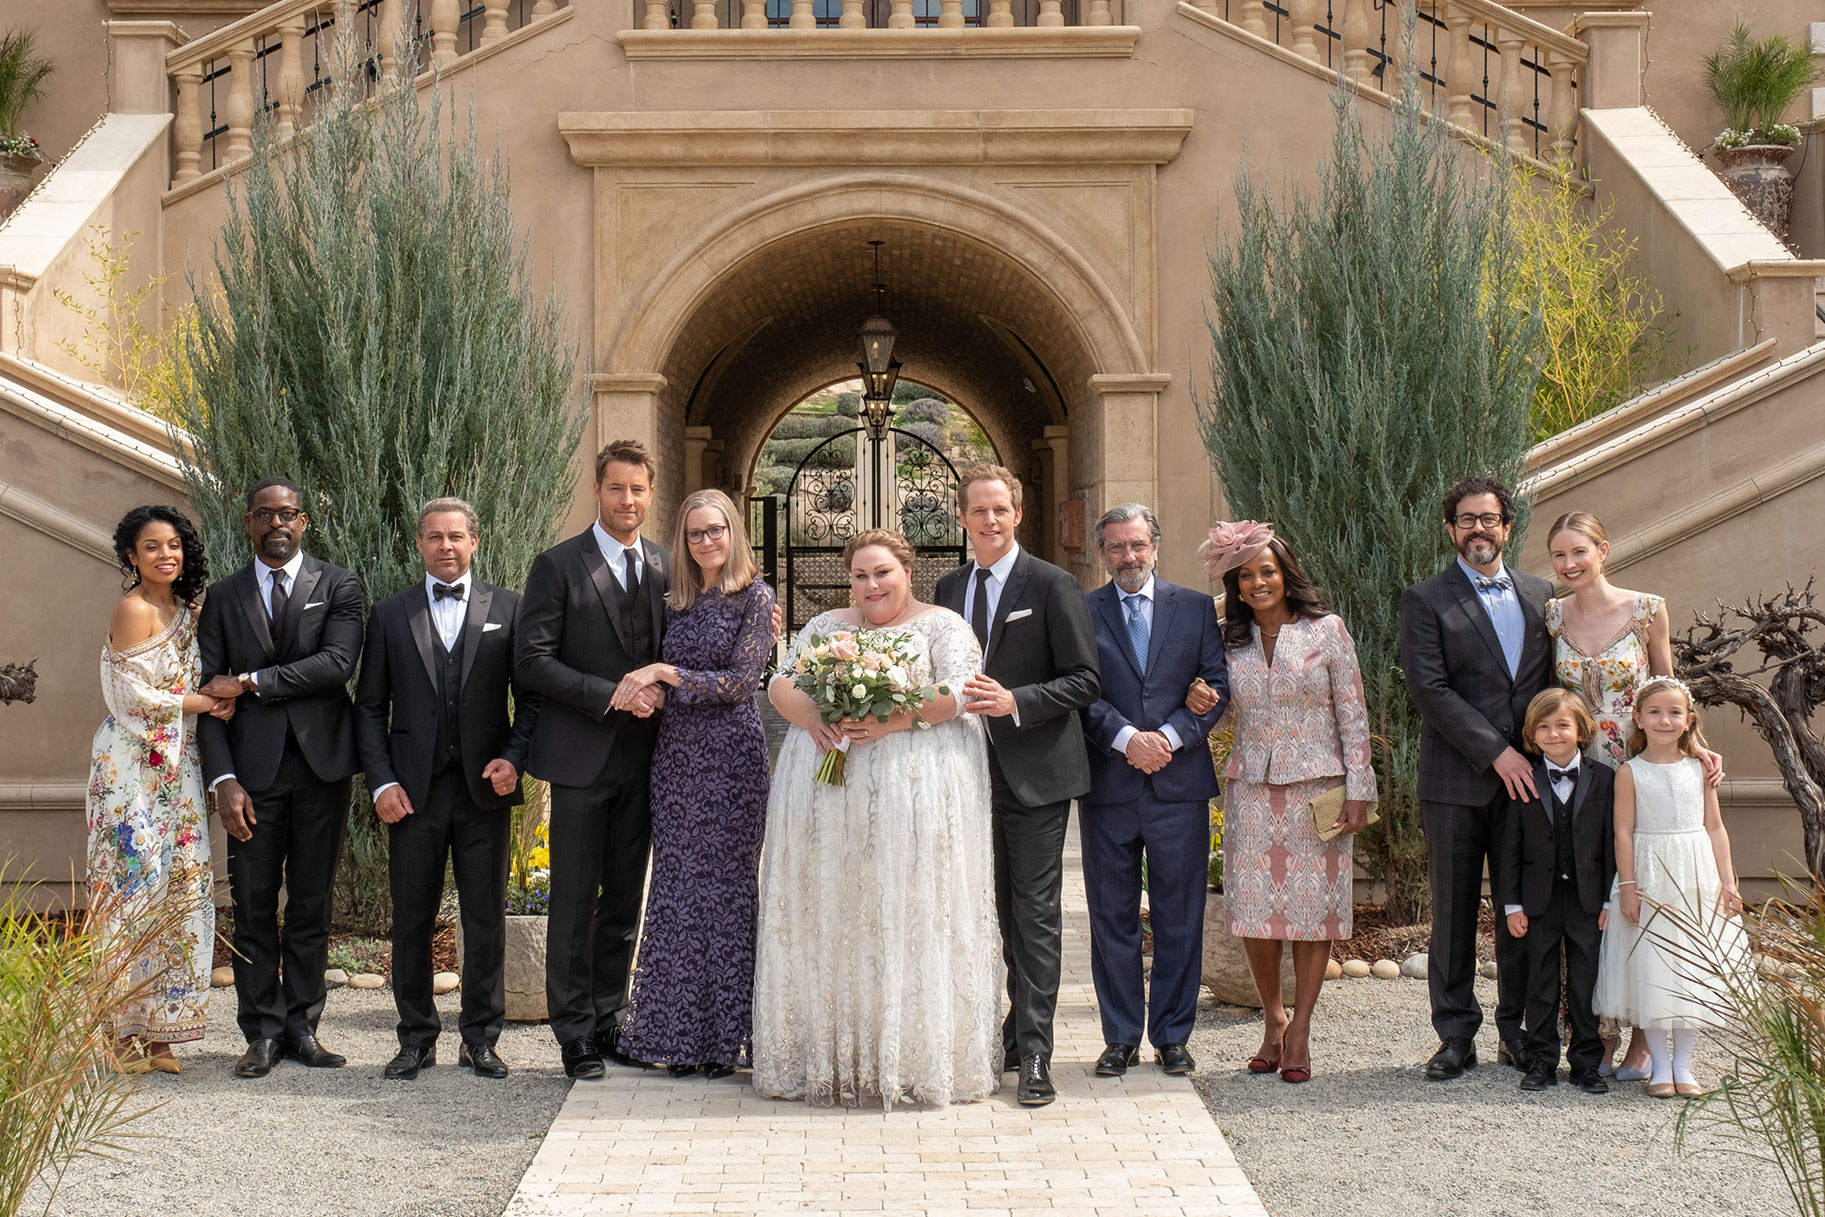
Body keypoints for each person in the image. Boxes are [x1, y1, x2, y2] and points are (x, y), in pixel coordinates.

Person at [753, 529, 1002, 1108]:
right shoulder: (826, 628)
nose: (872, 586)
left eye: (883, 573)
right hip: (829, 805)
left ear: (906, 571)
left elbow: (961, 691)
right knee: (837, 914)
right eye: (861, 575)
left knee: (910, 913)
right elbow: (782, 681)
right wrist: (815, 717)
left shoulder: (942, 626)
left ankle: (913, 1059)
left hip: (914, 802)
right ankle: (833, 1059)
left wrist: (892, 721)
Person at [353, 498, 539, 1082]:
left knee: (484, 917)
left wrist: (515, 759)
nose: (446, 546)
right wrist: (381, 780)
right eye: (435, 537)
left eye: (456, 536)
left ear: (475, 542)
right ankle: (415, 1038)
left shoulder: (508, 609)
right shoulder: (388, 615)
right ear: (419, 544)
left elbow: (530, 700)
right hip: (412, 794)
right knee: (411, 917)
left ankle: (481, 1038)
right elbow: (368, 709)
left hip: (484, 790)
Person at [933, 465, 1099, 1107]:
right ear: (964, 517)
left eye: (1000, 509)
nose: (990, 520)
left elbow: (1086, 680)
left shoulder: (1054, 585)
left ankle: (1034, 1051)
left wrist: (1017, 700)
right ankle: (1003, 1032)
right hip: (961, 776)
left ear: (1018, 513)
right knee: (988, 908)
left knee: (1033, 915)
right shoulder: (947, 589)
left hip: (1034, 776)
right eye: (978, 511)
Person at [1544, 510, 1725, 1079]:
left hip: (1638, 769)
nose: (1570, 564)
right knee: (1591, 895)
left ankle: (1646, 1041)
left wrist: (1697, 748)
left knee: (1645, 896)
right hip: (1576, 774)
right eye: (1559, 555)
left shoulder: (1647, 608)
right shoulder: (1550, 616)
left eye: (1579, 552)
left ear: (1603, 550)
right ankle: (1590, 1036)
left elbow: (1671, 690)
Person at [197, 477, 365, 1080]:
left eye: (287, 514)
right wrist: (223, 780)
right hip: (252, 775)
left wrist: (249, 683)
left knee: (312, 903)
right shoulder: (222, 597)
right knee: (252, 905)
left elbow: (335, 665)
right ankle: (261, 1032)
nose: (277, 523)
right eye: (264, 514)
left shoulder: (339, 585)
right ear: (248, 523)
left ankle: (304, 1027)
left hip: (322, 767)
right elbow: (207, 698)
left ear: (304, 521)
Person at [513, 439, 669, 1080]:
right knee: (574, 901)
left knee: (625, 899)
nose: (626, 500)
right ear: (597, 491)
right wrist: (614, 694)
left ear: (650, 493)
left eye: (637, 490)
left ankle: (609, 1018)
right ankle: (572, 1032)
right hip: (581, 757)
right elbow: (532, 662)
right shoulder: (557, 566)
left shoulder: (665, 565)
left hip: (650, 759)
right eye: (615, 489)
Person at [1203, 521, 1377, 1084]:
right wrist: (1202, 699)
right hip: (1251, 788)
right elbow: (1228, 715)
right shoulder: (1228, 637)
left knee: (1313, 912)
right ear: (1236, 584)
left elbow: (1352, 713)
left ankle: (1300, 1028)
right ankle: (1272, 1019)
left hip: (1320, 788)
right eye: (1246, 575)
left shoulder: (1326, 631)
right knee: (1254, 912)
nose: (1258, 583)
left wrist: (1360, 789)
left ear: (1286, 575)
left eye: (1268, 572)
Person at [610, 489, 776, 1079]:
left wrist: (661, 672)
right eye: (695, 533)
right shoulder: (672, 600)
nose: (706, 541)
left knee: (728, 893)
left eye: (716, 530)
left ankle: (723, 1041)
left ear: (734, 532)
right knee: (677, 892)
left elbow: (737, 683)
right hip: (676, 757)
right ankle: (673, 1036)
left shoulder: (756, 597)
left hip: (731, 758)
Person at [1399, 475, 1554, 1081]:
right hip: (1457, 781)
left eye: (1489, 519)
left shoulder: (1543, 595)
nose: (1479, 529)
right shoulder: (1427, 598)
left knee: (1523, 908)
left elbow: (1553, 683)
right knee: (1455, 912)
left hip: (1532, 783)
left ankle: (1516, 1032)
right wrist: (1497, 753)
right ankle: (1455, 1035)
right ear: (1451, 530)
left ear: (1507, 528)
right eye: (1466, 520)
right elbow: (1429, 689)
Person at [1079, 504, 1227, 1079]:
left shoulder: (1192, 608)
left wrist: (1165, 737)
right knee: (1111, 916)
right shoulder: (1083, 611)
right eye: (1116, 548)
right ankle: (1119, 1038)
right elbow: (1079, 689)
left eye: (1137, 545)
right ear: (1103, 554)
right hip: (1109, 788)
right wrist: (1124, 739)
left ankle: (1172, 1036)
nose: (1128, 557)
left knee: (1179, 916)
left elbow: (1216, 683)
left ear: (1155, 546)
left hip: (1178, 785)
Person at [87, 505, 223, 1074]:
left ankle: (161, 1036)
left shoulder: (188, 612)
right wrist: (206, 699)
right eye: (151, 547)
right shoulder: (133, 608)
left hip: (178, 766)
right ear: (130, 556)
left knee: (180, 889)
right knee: (133, 891)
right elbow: (130, 698)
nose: (165, 555)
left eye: (174, 545)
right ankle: (121, 1035)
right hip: (132, 771)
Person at [1593, 677, 1748, 1099]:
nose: (1665, 720)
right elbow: (1623, 833)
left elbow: (1714, 828)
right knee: (1655, 970)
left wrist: (1729, 882)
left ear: (1689, 720)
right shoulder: (1630, 772)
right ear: (1639, 719)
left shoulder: (1699, 768)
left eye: (1674, 712)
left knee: (1691, 971)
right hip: (1650, 879)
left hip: (1696, 876)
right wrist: (1627, 887)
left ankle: (1684, 1065)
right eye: (1656, 712)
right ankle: (1660, 1067)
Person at [1496, 688, 1616, 1096]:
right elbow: (1509, 847)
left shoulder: (1605, 779)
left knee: (1586, 983)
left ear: (1581, 730)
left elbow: (1611, 845)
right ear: (1532, 733)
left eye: (1562, 725)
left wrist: (1607, 899)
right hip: (1538, 901)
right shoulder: (1523, 778)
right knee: (1540, 982)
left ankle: (1586, 1062)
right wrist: (1512, 904)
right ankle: (1541, 1059)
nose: (1553, 733)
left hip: (1588, 901)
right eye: (1543, 727)